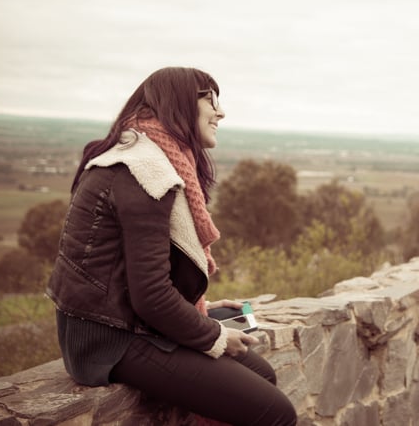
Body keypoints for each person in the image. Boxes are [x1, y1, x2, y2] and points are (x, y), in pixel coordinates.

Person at [46, 67, 297, 425]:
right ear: (178, 104)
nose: (220, 111)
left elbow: (135, 274)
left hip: (131, 322)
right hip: (109, 339)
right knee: (276, 413)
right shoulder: (140, 171)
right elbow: (149, 294)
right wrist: (213, 334)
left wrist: (200, 309)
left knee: (261, 373)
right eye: (209, 98)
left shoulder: (148, 155)